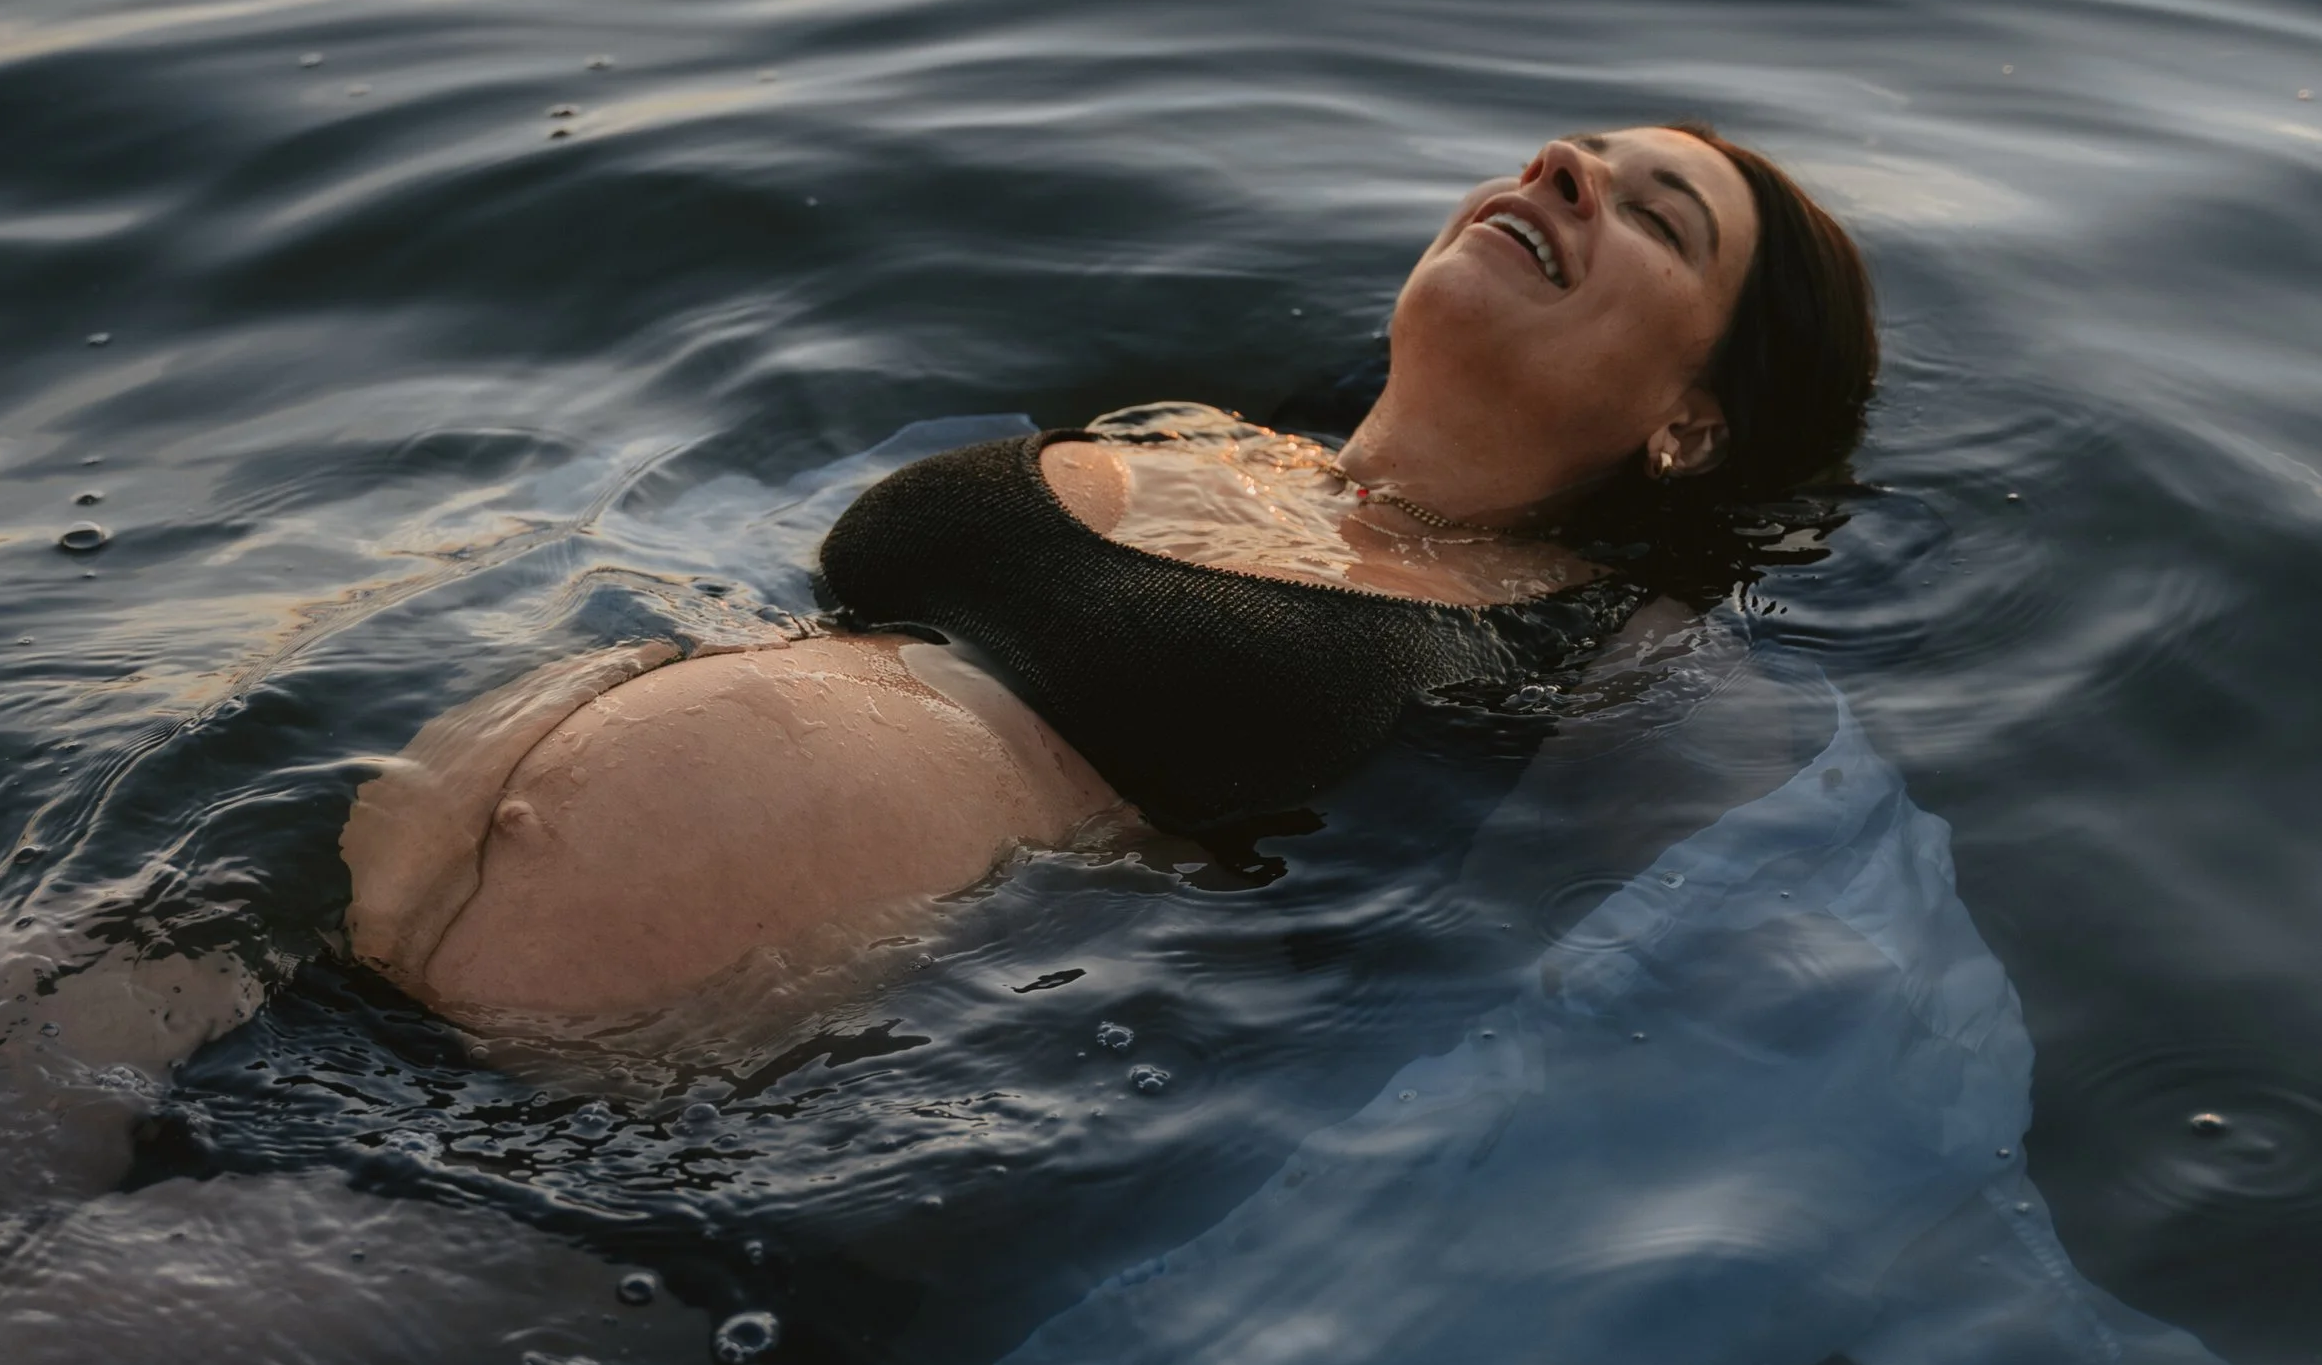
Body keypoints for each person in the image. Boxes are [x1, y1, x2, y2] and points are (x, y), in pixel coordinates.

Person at [341, 125, 1875, 1039]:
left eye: (1656, 215)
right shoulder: (1192, 428)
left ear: (1693, 426)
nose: (1560, 168)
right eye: (1576, 154)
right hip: (314, 945)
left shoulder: (1605, 652)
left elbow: (1713, 964)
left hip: (590, 1139)